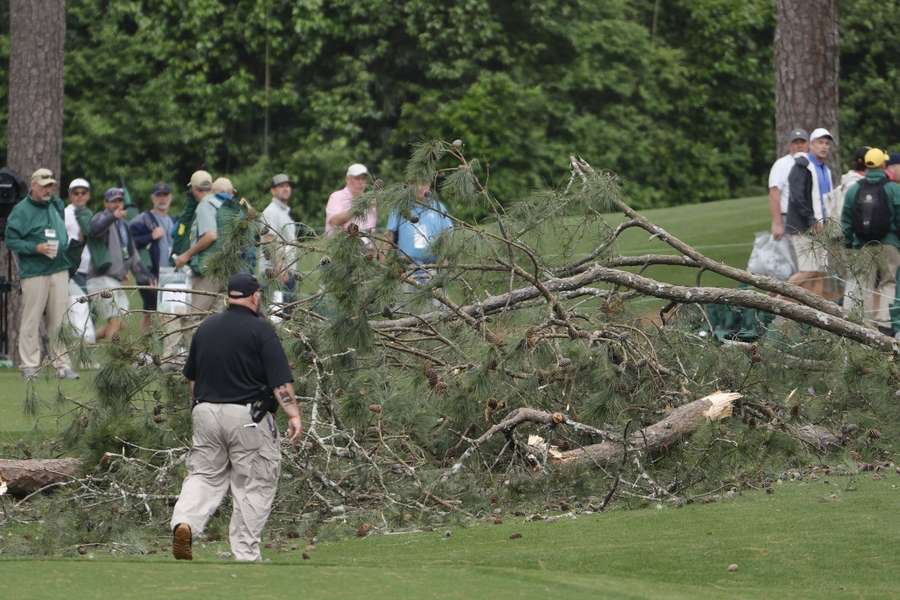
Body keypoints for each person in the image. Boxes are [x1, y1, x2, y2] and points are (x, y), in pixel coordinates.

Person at [170, 273, 302, 562]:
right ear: (255, 296)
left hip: (205, 411)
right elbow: (280, 383)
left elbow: (191, 379)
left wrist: (198, 407)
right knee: (254, 482)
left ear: (229, 296)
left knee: (203, 475)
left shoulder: (206, 327)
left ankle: (185, 523)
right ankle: (245, 552)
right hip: (246, 415)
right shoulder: (261, 330)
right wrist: (293, 414)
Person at [3, 168, 78, 380]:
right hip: (35, 272)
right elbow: (11, 241)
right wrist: (36, 248)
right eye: (44, 185)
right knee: (31, 319)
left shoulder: (55, 204)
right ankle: (29, 366)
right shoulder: (21, 210)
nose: (48, 189)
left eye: (50, 185)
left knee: (60, 319)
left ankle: (62, 365)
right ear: (33, 185)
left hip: (59, 269)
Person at [840, 148, 900, 336]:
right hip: (888, 244)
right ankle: (884, 326)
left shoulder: (854, 190)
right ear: (883, 165)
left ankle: (855, 325)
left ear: (865, 164)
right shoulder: (893, 188)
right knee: (887, 283)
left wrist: (849, 244)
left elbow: (847, 222)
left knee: (861, 284)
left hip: (862, 246)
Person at [86, 188, 153, 341]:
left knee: (121, 323)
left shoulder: (124, 225)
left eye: (119, 201)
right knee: (115, 321)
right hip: (100, 278)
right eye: (113, 201)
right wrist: (111, 217)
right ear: (106, 203)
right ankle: (115, 359)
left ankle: (87, 342)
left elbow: (134, 256)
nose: (117, 204)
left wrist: (146, 276)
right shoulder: (101, 217)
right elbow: (94, 230)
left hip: (115, 280)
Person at [386, 180, 453, 306]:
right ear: (409, 186)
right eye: (416, 183)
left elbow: (447, 234)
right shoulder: (400, 208)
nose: (421, 187)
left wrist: (444, 261)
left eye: (424, 183)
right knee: (406, 306)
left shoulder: (438, 207)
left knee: (437, 306)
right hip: (406, 269)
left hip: (433, 267)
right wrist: (385, 263)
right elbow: (389, 236)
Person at [786, 127, 834, 275]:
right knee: (808, 271)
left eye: (827, 143)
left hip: (822, 227)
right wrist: (811, 220)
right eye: (820, 142)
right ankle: (776, 295)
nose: (824, 146)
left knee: (820, 272)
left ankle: (811, 299)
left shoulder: (826, 170)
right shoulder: (803, 165)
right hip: (803, 226)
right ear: (811, 145)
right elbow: (797, 197)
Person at [130, 183, 175, 331]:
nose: (162, 199)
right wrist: (151, 236)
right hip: (150, 274)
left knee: (163, 312)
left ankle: (159, 347)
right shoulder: (143, 219)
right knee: (151, 312)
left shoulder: (172, 221)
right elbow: (129, 243)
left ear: (170, 197)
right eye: (158, 195)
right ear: (152, 198)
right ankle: (146, 350)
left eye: (165, 195)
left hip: (170, 274)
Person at [261, 173, 298, 300]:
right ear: (273, 190)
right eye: (281, 186)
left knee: (288, 313)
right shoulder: (271, 211)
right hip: (276, 274)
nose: (286, 188)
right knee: (277, 316)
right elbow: (269, 239)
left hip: (287, 271)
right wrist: (281, 268)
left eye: (288, 186)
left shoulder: (284, 212)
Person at [767, 128, 809, 240]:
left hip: (809, 218)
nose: (799, 145)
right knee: (790, 256)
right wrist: (777, 222)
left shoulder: (811, 163)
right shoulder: (781, 164)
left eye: (802, 142)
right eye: (796, 142)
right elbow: (774, 193)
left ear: (808, 144)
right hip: (788, 218)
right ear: (790, 145)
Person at [325, 163, 375, 240]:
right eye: (357, 178)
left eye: (363, 178)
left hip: (364, 250)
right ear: (347, 179)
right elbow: (334, 221)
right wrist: (358, 207)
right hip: (339, 248)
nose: (360, 182)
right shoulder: (336, 197)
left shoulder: (370, 202)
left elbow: (370, 231)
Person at [63, 178, 93, 292]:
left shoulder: (90, 214)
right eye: (76, 193)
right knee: (80, 305)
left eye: (83, 193)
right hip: (71, 269)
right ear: (70, 195)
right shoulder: (64, 214)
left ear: (88, 195)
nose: (80, 196)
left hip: (89, 269)